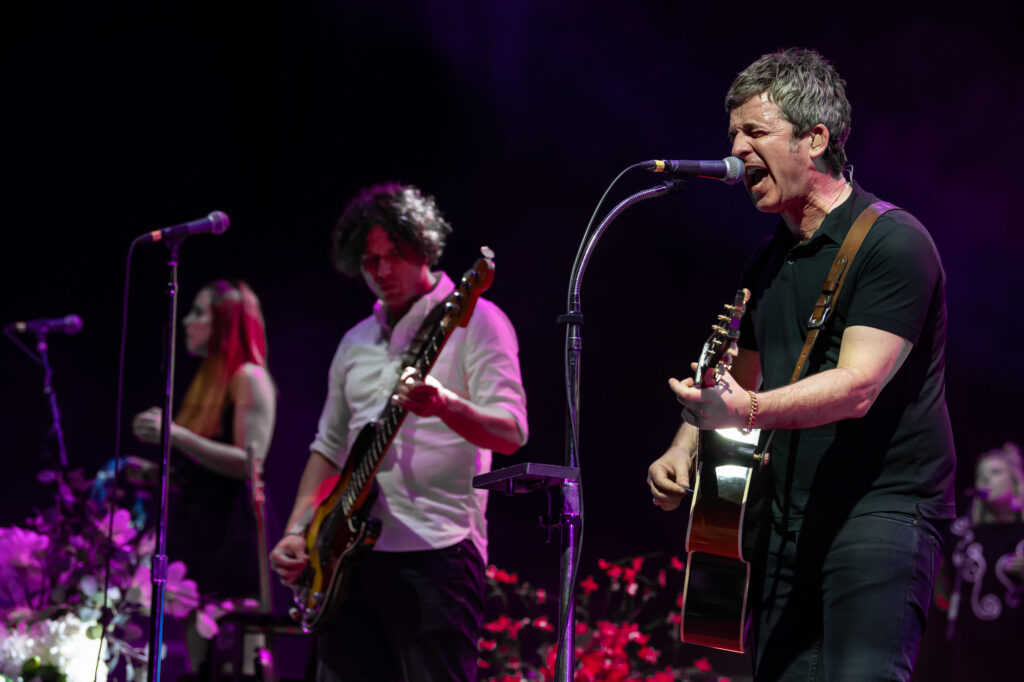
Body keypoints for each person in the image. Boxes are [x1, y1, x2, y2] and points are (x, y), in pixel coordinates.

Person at [646, 48, 955, 681]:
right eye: (733, 135)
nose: (737, 151)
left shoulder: (893, 242)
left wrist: (748, 411)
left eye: (755, 132)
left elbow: (858, 386)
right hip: (786, 523)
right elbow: (739, 376)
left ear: (814, 139)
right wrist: (684, 447)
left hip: (880, 513)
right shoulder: (767, 260)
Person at [269, 182, 528, 682]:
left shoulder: (479, 321)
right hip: (348, 562)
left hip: (439, 552)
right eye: (370, 261)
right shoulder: (354, 341)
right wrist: (297, 530)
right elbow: (329, 448)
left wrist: (445, 405)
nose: (383, 271)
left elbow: (512, 432)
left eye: (395, 255)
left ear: (425, 247)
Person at [131, 279, 276, 600]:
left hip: (231, 533)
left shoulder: (249, 377)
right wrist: (156, 474)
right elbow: (207, 473)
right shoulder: (208, 379)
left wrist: (175, 434)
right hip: (198, 529)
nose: (186, 321)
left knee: (227, 625)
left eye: (198, 312)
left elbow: (248, 464)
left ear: (226, 321)